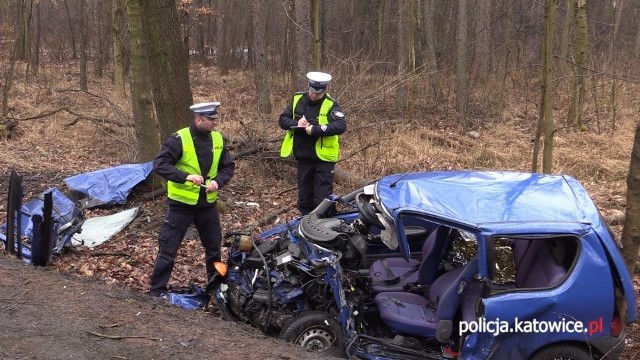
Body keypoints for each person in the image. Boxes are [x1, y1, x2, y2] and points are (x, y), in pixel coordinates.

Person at [149, 101, 235, 297]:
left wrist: (218, 182)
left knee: (214, 249)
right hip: (181, 206)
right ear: (198, 120)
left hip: (208, 206)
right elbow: (160, 164)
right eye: (211, 119)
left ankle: (216, 292)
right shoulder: (179, 139)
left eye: (216, 119)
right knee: (168, 249)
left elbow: (228, 167)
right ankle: (156, 292)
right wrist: (185, 177)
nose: (215, 123)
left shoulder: (218, 139)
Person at [279, 71, 346, 215]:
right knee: (304, 198)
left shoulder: (331, 104)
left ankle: (324, 228)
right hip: (303, 156)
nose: (314, 95)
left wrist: (315, 130)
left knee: (322, 199)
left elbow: (340, 126)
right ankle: (305, 225)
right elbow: (283, 120)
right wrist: (296, 123)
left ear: (324, 90)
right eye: (312, 92)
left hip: (323, 159)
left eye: (318, 93)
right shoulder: (298, 99)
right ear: (309, 87)